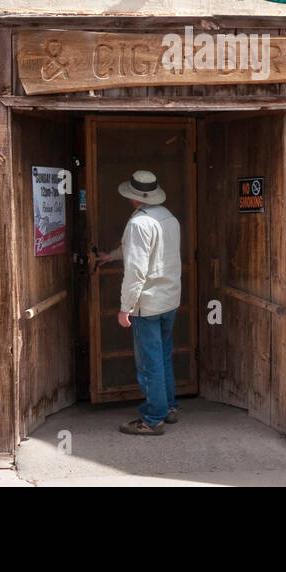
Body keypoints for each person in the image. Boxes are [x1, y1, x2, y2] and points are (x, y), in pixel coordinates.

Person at [91, 169, 182, 435]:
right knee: (163, 355)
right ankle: (170, 406)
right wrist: (114, 255)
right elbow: (151, 251)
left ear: (134, 197)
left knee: (149, 362)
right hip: (169, 298)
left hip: (147, 304)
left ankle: (153, 418)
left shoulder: (138, 224)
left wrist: (125, 308)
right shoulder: (169, 218)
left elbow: (136, 271)